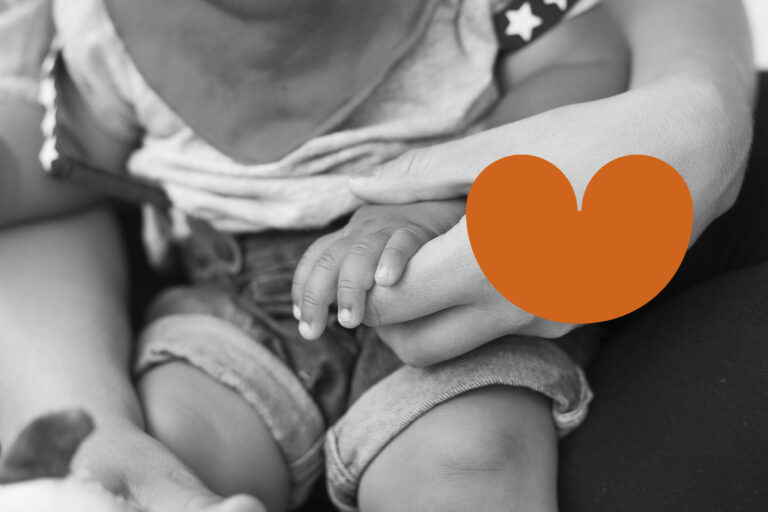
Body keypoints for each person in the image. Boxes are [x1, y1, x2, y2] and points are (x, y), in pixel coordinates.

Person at [0, 0, 629, 511]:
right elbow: (74, 159)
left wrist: (447, 194)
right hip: (236, 307)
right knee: (171, 447)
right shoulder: (112, 20)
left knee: (470, 459)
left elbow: (579, 63)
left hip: (453, 283)